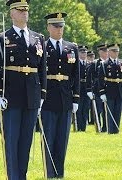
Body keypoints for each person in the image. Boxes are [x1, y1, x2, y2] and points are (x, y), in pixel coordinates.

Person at [0, 0, 47, 179]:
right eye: (20, 10)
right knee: (12, 142)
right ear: (12, 13)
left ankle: (22, 175)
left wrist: (42, 94)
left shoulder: (38, 38)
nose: (24, 13)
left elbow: (42, 68)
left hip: (32, 96)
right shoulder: (1, 39)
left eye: (26, 10)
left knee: (26, 142)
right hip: (11, 96)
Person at [40, 12, 80, 179]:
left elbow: (76, 75)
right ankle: (49, 173)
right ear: (49, 27)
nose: (59, 29)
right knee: (48, 136)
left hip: (65, 98)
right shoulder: (41, 46)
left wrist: (76, 98)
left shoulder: (71, 47)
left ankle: (59, 172)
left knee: (62, 138)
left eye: (61, 26)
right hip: (48, 97)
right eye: (56, 26)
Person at [99, 43, 122, 134]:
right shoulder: (104, 64)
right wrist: (102, 92)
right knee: (110, 111)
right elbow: (101, 79)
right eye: (114, 51)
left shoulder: (121, 63)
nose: (116, 53)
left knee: (117, 111)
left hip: (119, 91)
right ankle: (110, 130)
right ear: (109, 52)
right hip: (109, 90)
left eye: (117, 51)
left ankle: (116, 130)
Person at [87, 44, 108, 131]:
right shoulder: (95, 63)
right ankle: (98, 125)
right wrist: (89, 90)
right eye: (103, 52)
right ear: (99, 52)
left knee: (106, 110)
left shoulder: (109, 63)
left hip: (108, 89)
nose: (105, 53)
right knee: (98, 109)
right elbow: (89, 76)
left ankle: (106, 126)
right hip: (97, 90)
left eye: (106, 51)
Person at [77, 45, 90, 131]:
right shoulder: (76, 63)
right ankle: (79, 126)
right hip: (79, 87)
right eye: (82, 52)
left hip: (87, 88)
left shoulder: (89, 64)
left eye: (85, 52)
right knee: (79, 108)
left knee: (86, 108)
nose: (84, 54)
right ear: (79, 53)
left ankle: (83, 127)